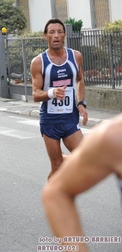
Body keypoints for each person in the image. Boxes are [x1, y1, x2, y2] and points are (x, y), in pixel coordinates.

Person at [42, 114, 122, 252]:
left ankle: (69, 161)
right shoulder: (115, 135)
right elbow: (56, 192)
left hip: (69, 122)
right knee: (57, 164)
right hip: (51, 122)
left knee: (67, 160)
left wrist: (81, 104)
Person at [31, 18, 88, 179]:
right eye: (52, 32)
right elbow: (35, 94)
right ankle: (51, 200)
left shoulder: (75, 57)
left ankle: (61, 157)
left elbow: (79, 80)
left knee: (85, 158)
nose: (56, 35)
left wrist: (81, 102)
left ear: (64, 35)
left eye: (59, 32)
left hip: (70, 118)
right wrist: (51, 93)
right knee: (57, 167)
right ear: (45, 36)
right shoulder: (38, 62)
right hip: (50, 121)